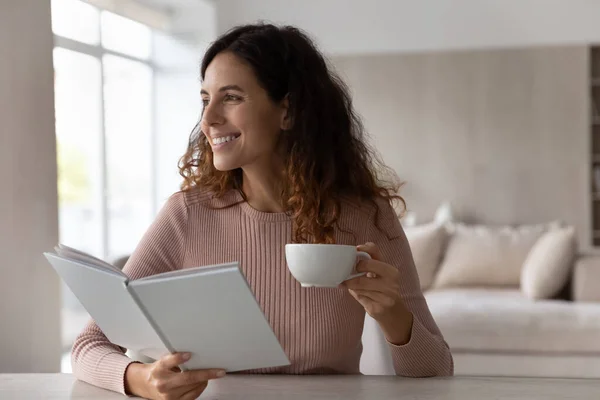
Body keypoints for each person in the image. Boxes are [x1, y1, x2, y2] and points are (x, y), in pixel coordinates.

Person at [71, 23, 454, 399]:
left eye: (232, 97)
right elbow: (88, 345)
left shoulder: (365, 216)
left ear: (287, 110)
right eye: (206, 99)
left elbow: (436, 369)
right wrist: (142, 380)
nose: (208, 120)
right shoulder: (187, 215)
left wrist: (393, 316)